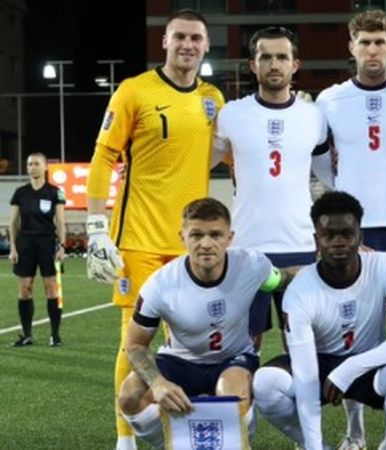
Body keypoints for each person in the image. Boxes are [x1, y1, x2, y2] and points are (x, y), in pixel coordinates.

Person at [83, 10, 225, 449]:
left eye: (196, 38)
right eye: (179, 36)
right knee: (133, 339)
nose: (187, 44)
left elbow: (230, 156)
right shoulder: (134, 91)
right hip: (141, 241)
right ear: (164, 41)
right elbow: (103, 156)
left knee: (189, 346)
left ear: (205, 46)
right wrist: (95, 227)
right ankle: (126, 438)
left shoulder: (213, 99)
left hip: (192, 246)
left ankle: (180, 431)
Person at [316, 13, 386, 447]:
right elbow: (319, 157)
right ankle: (355, 430)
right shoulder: (330, 99)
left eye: (380, 41)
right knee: (351, 332)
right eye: (365, 42)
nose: (373, 50)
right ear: (351, 47)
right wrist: (340, 191)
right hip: (351, 233)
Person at [116, 198, 298, 448]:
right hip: (180, 361)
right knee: (129, 396)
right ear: (183, 237)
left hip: (233, 358)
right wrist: (158, 384)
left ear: (230, 237)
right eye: (196, 235)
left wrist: (328, 266)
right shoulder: (160, 285)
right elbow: (135, 345)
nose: (206, 244)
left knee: (231, 395)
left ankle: (240, 442)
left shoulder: (252, 265)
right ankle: (177, 443)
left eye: (215, 234)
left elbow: (284, 279)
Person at [252, 191, 386, 450]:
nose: (338, 242)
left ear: (360, 236)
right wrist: (314, 445)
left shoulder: (385, 265)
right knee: (265, 383)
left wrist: (351, 367)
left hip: (369, 364)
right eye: (329, 235)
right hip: (320, 366)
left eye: (346, 233)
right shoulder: (299, 290)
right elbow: (307, 376)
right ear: (316, 240)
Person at [213, 25, 330, 351]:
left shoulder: (313, 116)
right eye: (266, 57)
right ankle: (244, 404)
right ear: (253, 65)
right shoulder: (231, 114)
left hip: (300, 244)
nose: (274, 64)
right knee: (246, 343)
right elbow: (201, 163)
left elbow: (329, 174)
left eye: (282, 57)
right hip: (246, 246)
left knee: (302, 341)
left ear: (295, 65)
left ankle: (304, 403)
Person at [8, 152, 66, 347]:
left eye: (36, 164)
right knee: (25, 289)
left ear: (45, 167)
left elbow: (61, 222)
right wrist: (13, 248)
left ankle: (55, 334)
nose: (32, 167)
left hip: (48, 243)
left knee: (51, 288)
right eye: (29, 164)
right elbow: (13, 223)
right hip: (25, 245)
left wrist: (62, 246)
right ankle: (26, 335)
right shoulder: (20, 193)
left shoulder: (55, 192)